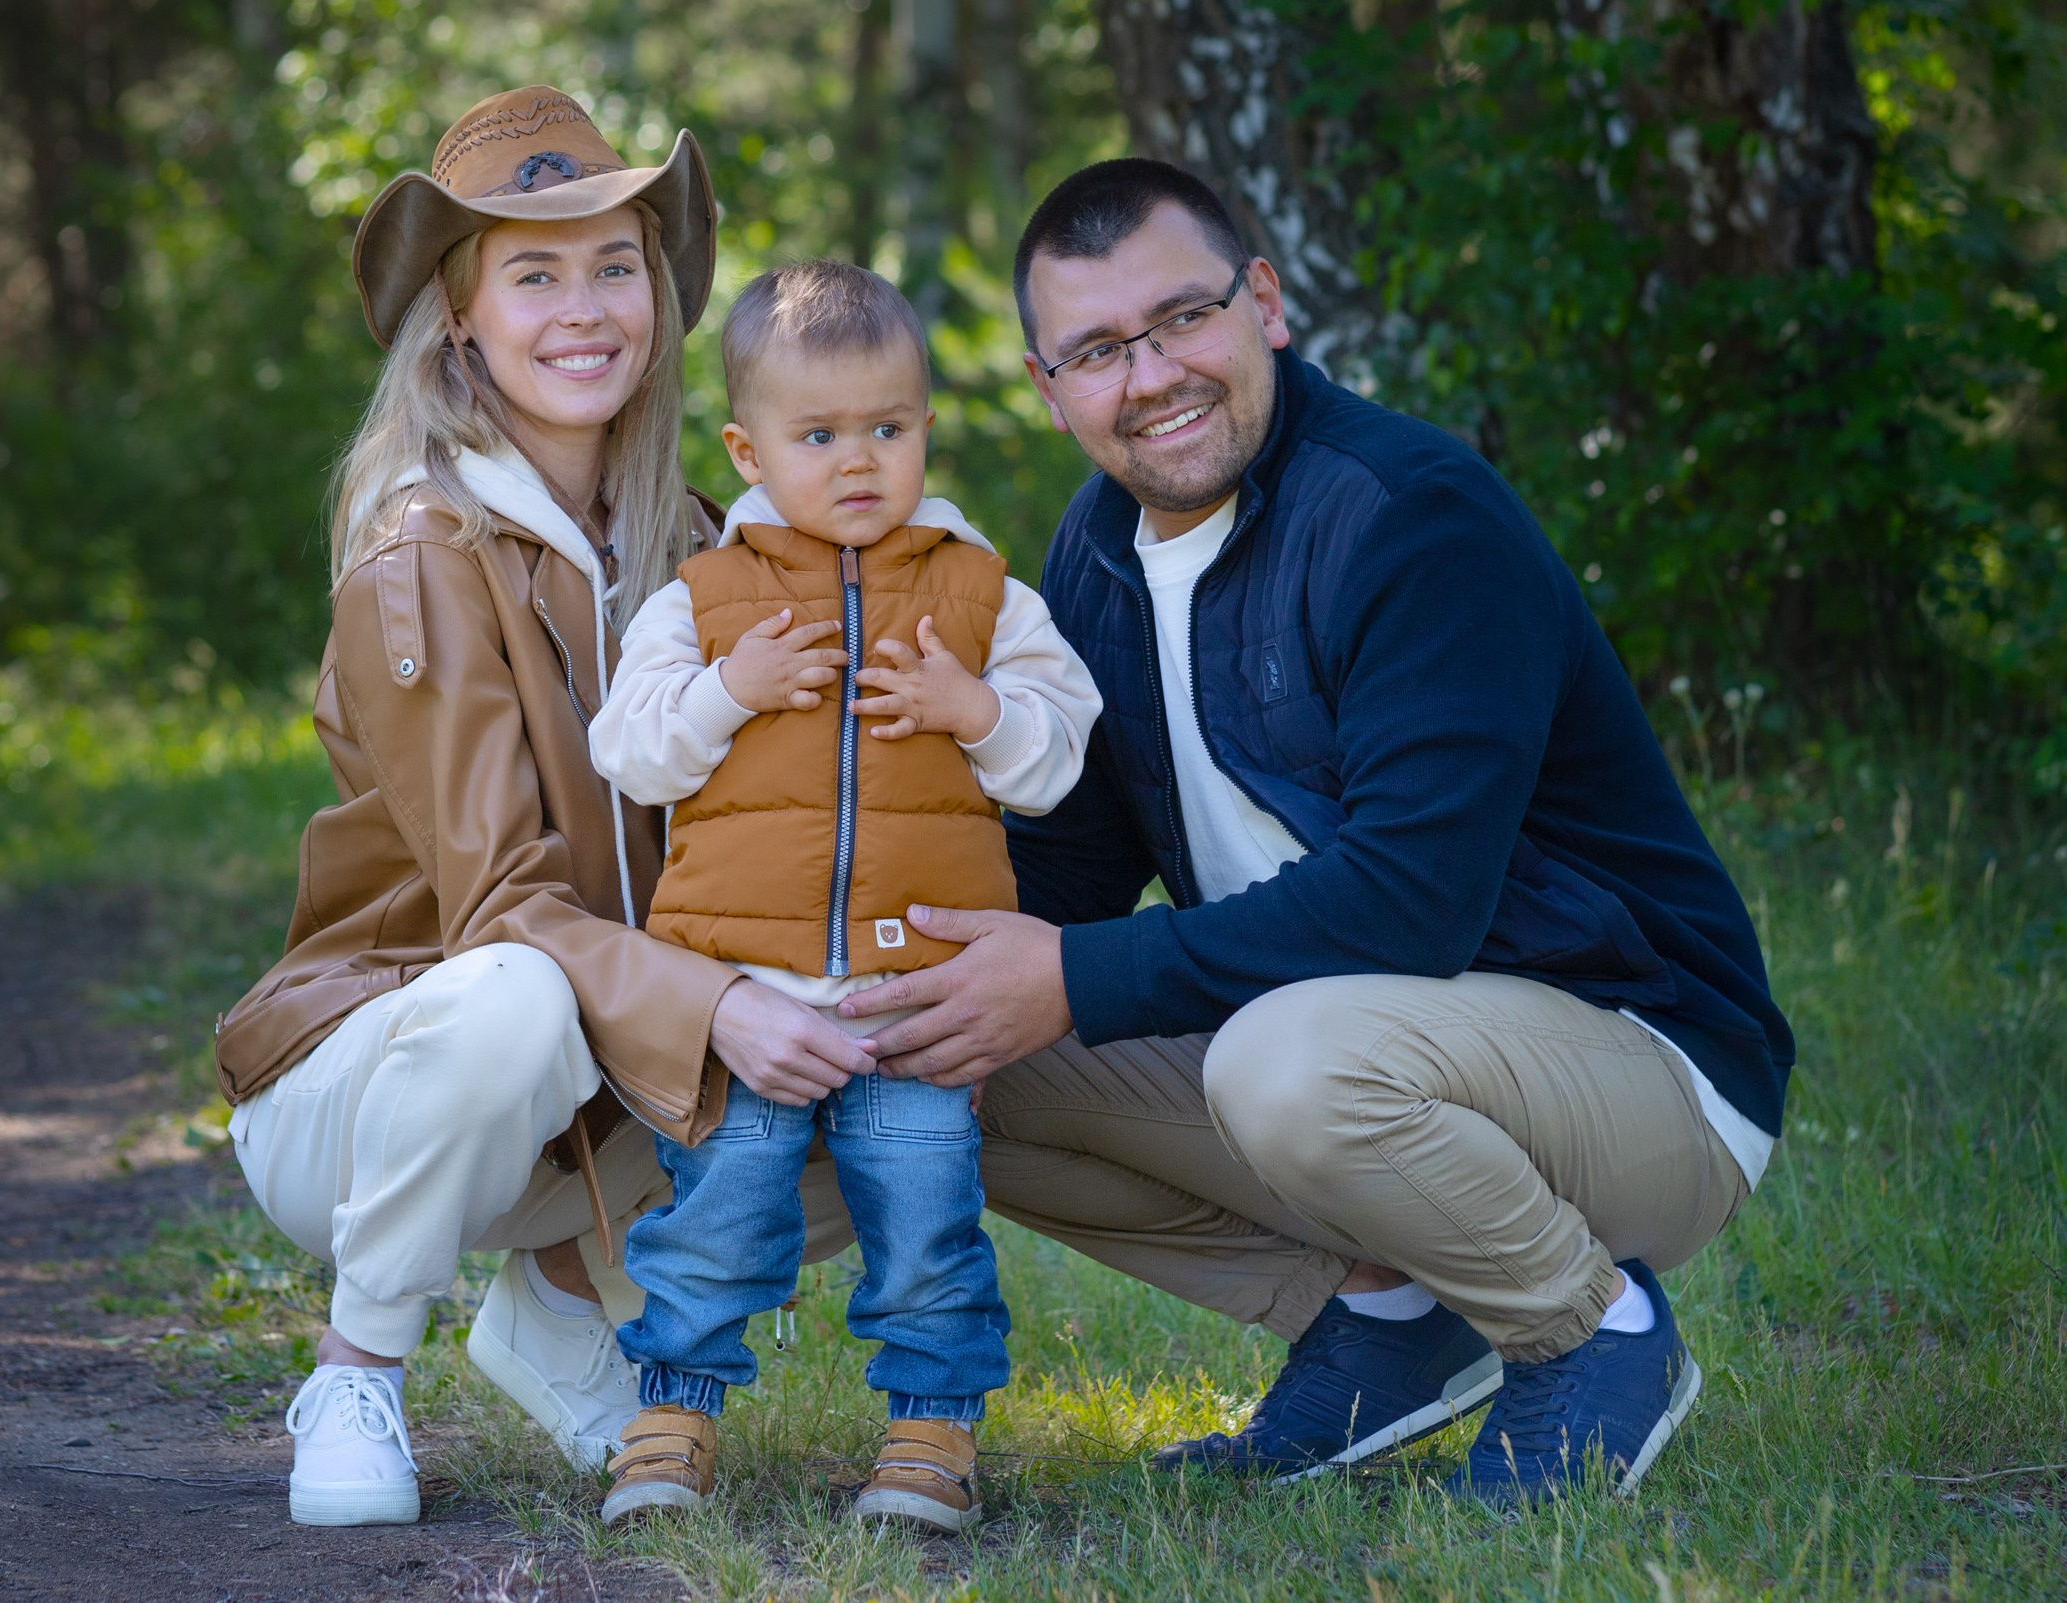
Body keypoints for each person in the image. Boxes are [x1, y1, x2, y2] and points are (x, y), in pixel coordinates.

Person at [841, 158, 1796, 1504]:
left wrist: (1070, 975)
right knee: (942, 1055)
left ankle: (1589, 1329)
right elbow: (1068, 868)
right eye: (1100, 350)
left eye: (1184, 318)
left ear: (1265, 305)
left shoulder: (1410, 517)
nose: (1154, 374)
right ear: (1052, 388)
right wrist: (857, 947)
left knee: (1287, 1058)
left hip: (1639, 1068)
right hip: (1379, 1063)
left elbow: (1413, 904)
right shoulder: (1095, 553)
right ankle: (1392, 1321)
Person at [212, 88, 882, 1528]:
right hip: (378, 1073)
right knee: (515, 989)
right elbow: (502, 910)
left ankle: (565, 1288)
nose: (585, 309)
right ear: (460, 316)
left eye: (615, 264)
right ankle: (357, 1363)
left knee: (891, 1050)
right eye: (533, 271)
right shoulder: (422, 553)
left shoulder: (702, 544)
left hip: (587, 1094)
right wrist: (719, 1006)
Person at [584, 261, 1101, 1533]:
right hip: (746, 997)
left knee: (928, 1222)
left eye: (889, 427)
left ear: (927, 425)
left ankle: (930, 1431)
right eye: (819, 435)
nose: (858, 460)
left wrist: (973, 710)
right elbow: (630, 751)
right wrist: (730, 690)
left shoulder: (982, 598)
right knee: (718, 1214)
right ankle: (670, 1414)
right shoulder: (703, 600)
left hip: (917, 1000)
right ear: (747, 449)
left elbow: (1061, 753)